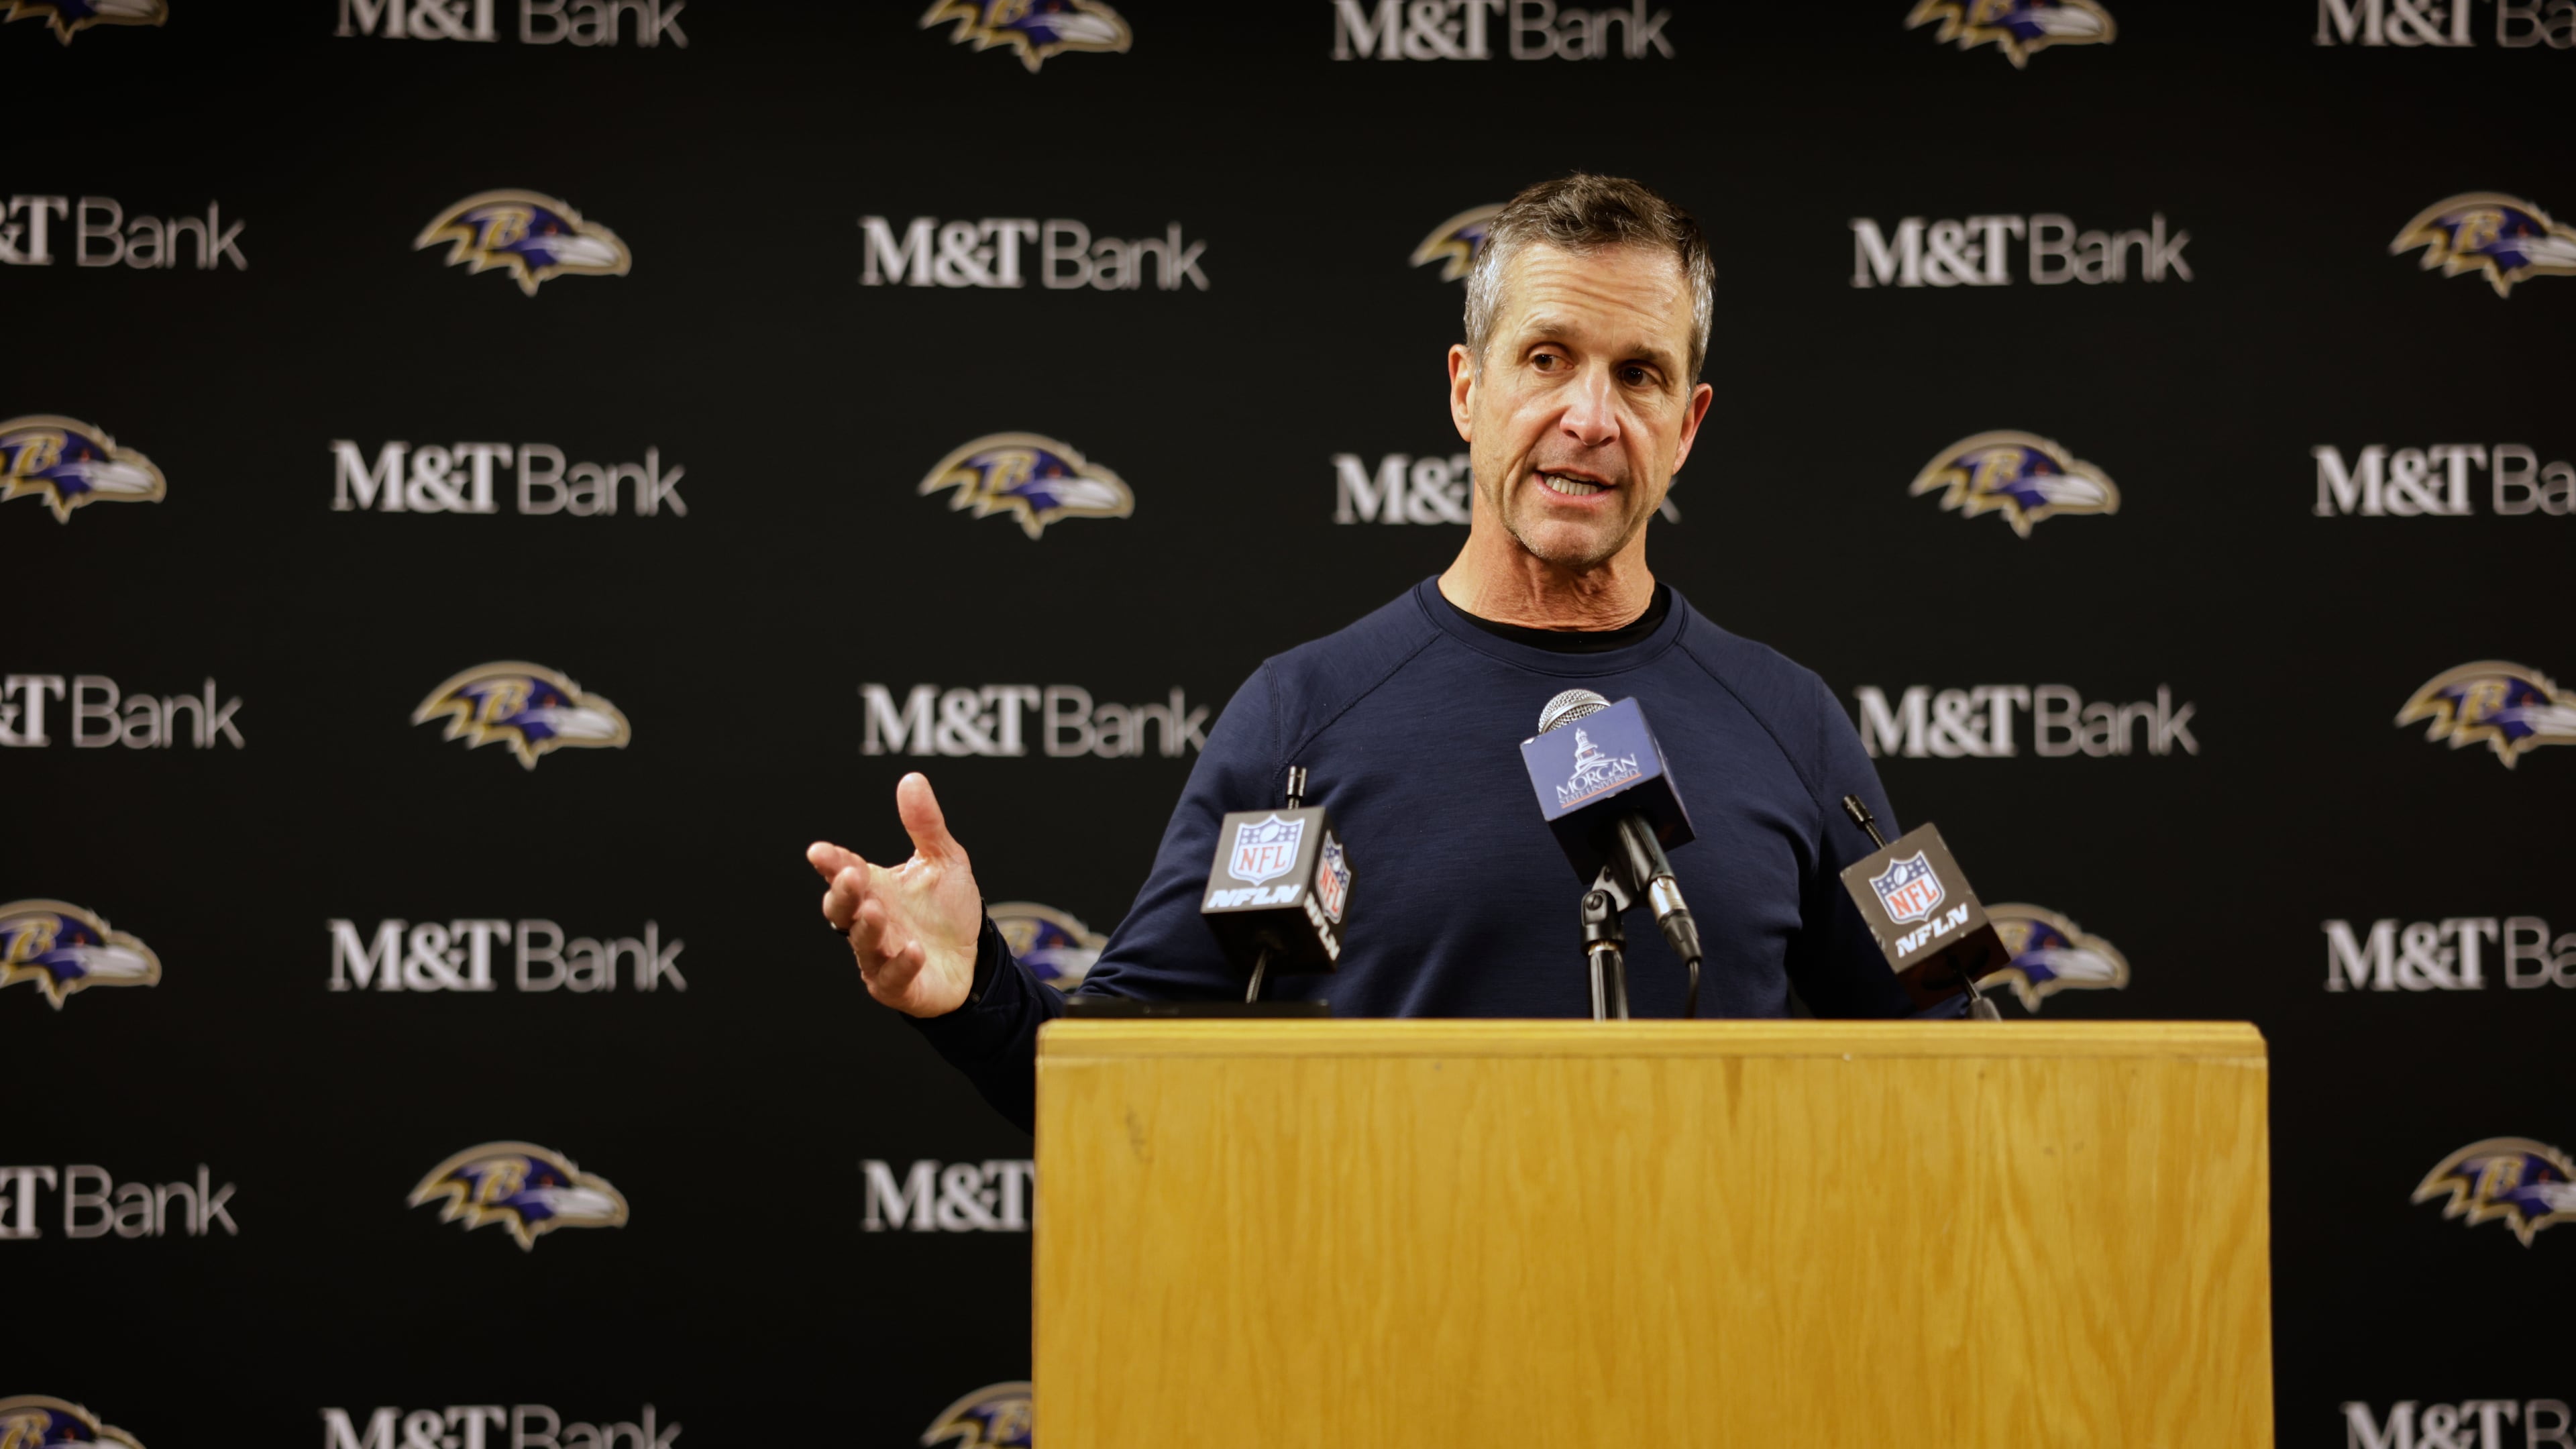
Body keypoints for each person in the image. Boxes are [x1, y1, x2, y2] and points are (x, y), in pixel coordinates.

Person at [808, 174, 1933, 1132]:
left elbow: (1964, 1067)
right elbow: (1120, 1088)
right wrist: (972, 995)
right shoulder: (1304, 717)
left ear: (1686, 427)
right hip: (1390, 1352)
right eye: (1547, 358)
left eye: (1639, 374)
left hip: (1719, 1356)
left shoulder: (1790, 721)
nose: (1591, 415)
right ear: (1466, 390)